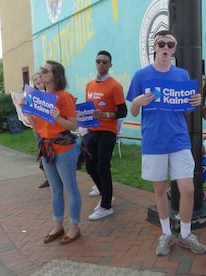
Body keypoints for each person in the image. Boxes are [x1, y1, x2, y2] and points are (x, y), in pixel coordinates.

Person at [127, 30, 206, 256]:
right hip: (154, 140)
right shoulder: (141, 76)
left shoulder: (182, 75)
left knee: (188, 189)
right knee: (160, 188)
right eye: (161, 43)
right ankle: (166, 233)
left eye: (170, 44)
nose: (165, 47)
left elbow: (187, 107)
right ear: (154, 46)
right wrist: (138, 102)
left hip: (179, 139)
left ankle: (185, 234)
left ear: (174, 49)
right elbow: (133, 111)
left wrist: (196, 101)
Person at [24, 60, 82, 245]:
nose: (40, 75)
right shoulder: (39, 98)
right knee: (55, 190)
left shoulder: (64, 97)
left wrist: (58, 117)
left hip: (64, 148)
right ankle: (58, 225)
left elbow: (73, 125)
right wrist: (29, 115)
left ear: (55, 75)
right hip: (46, 148)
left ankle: (74, 228)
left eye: (44, 71)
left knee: (71, 189)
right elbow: (37, 129)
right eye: (40, 71)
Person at [85, 50, 127, 221]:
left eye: (104, 62)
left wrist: (105, 115)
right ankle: (106, 195)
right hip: (91, 131)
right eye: (98, 61)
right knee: (89, 166)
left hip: (107, 132)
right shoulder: (89, 85)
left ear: (110, 65)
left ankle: (106, 206)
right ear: (95, 63)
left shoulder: (115, 86)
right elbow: (89, 108)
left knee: (103, 166)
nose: (101, 64)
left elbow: (122, 111)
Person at [31, 72, 50, 188]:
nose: (37, 81)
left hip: (51, 131)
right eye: (34, 80)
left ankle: (56, 178)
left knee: (52, 155)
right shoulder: (32, 96)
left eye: (39, 78)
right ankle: (48, 178)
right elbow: (30, 115)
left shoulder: (51, 94)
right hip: (39, 130)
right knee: (42, 155)